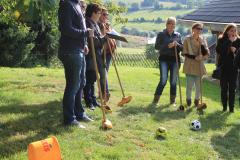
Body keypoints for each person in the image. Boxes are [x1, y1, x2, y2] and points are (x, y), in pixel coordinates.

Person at [58, 0, 94, 126]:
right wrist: (85, 33)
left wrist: (84, 43)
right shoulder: (66, 4)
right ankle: (69, 119)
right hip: (70, 51)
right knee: (73, 85)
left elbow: (80, 26)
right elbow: (66, 29)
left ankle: (79, 113)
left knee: (81, 83)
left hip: (79, 50)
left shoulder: (77, 4)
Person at [153, 17, 183, 105]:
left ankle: (172, 102)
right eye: (170, 23)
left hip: (175, 60)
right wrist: (167, 45)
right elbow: (157, 47)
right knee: (163, 80)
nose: (172, 25)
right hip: (164, 60)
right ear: (166, 24)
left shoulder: (178, 35)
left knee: (173, 81)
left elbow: (182, 48)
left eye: (173, 24)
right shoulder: (161, 34)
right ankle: (155, 101)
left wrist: (176, 45)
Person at [83, 3, 106, 110]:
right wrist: (104, 39)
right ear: (93, 13)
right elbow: (92, 40)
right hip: (89, 55)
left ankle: (93, 100)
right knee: (88, 79)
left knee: (93, 78)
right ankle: (89, 101)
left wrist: (102, 37)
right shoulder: (87, 22)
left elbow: (98, 37)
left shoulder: (95, 23)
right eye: (98, 13)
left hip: (96, 55)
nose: (100, 15)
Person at [182, 23, 210, 107]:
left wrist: (201, 44)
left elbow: (206, 52)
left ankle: (197, 101)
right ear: (193, 29)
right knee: (189, 85)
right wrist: (195, 57)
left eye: (201, 29)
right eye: (198, 28)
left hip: (199, 66)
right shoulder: (187, 39)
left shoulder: (203, 39)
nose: (199, 30)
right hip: (190, 64)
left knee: (199, 86)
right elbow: (185, 53)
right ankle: (188, 100)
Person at [216, 23, 240, 112]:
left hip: (234, 69)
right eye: (231, 31)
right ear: (227, 31)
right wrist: (229, 41)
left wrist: (236, 50)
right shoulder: (222, 39)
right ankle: (224, 107)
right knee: (224, 89)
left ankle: (231, 108)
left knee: (232, 89)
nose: (233, 32)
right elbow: (219, 51)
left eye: (235, 30)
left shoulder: (239, 40)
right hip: (223, 68)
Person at [98, 8, 117, 101]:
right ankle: (105, 93)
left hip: (109, 52)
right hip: (101, 52)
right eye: (104, 14)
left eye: (107, 14)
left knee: (104, 73)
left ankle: (102, 93)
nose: (106, 16)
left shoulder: (107, 24)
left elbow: (113, 35)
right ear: (99, 14)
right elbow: (100, 38)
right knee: (103, 72)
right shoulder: (97, 24)